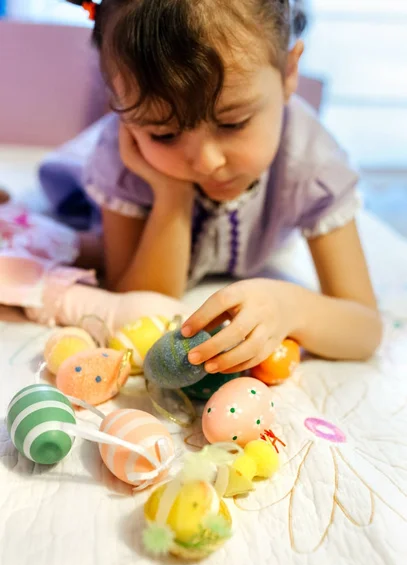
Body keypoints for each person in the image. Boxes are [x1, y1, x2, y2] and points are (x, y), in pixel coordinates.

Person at [9, 0, 384, 370]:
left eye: (233, 123)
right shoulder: (124, 157)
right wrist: (171, 195)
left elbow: (364, 327)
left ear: (289, 74)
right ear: (120, 109)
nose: (207, 162)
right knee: (61, 235)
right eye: (166, 133)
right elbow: (139, 301)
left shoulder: (313, 162)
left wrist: (292, 307)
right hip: (116, 182)